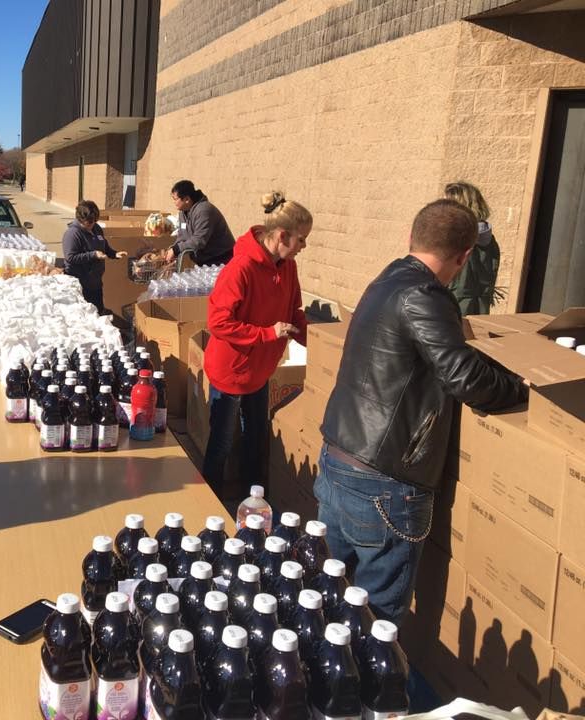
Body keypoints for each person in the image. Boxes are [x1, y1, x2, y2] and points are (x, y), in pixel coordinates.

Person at [317, 199, 527, 626]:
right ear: (464, 257)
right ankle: (364, 693)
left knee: (324, 600)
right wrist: (522, 391)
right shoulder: (425, 294)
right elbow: (465, 378)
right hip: (383, 479)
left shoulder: (385, 281)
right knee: (374, 624)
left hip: (341, 457)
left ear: (410, 239)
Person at [202, 192, 310, 499]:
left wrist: (318, 344)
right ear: (282, 236)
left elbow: (294, 312)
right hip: (232, 371)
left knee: (256, 440)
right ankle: (210, 500)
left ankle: (253, 502)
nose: (304, 246)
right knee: (222, 444)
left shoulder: (287, 267)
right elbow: (218, 322)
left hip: (260, 370)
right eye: (301, 240)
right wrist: (267, 333)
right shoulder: (241, 268)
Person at [62, 200, 128, 315]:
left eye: (94, 221)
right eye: (90, 222)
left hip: (95, 281)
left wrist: (114, 254)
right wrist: (93, 255)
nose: (92, 224)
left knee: (98, 310)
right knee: (87, 314)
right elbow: (70, 257)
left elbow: (103, 245)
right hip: (81, 282)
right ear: (81, 219)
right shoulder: (72, 234)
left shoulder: (96, 228)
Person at [444, 181, 500, 315]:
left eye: (446, 204)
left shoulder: (459, 238)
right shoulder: (489, 239)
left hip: (453, 311)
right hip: (478, 310)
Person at [163, 179, 235, 267]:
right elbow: (182, 235)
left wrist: (177, 249)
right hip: (204, 261)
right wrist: (173, 249)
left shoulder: (204, 211)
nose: (174, 203)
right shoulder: (183, 212)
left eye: (175, 199)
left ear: (186, 199)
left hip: (221, 260)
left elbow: (199, 240)